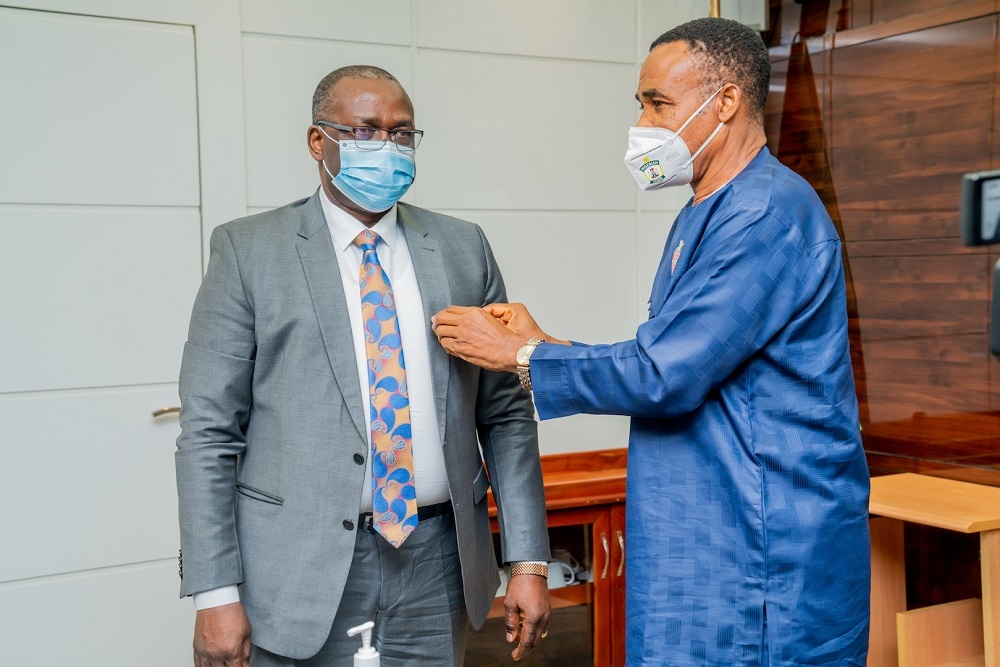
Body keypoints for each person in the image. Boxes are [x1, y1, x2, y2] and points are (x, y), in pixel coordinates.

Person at [432, 18, 870, 667]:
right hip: (707, 541)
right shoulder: (705, 212)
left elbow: (669, 372)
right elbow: (677, 352)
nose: (642, 122)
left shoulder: (765, 215)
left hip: (762, 554)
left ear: (725, 102)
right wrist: (544, 340)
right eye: (641, 102)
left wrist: (521, 356)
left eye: (657, 102)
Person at [175, 65, 550, 667]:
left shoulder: (462, 247)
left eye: (403, 134)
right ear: (317, 141)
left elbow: (505, 415)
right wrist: (214, 593)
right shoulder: (249, 252)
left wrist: (528, 561)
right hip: (298, 568)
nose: (388, 148)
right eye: (366, 131)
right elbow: (209, 435)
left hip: (437, 564)